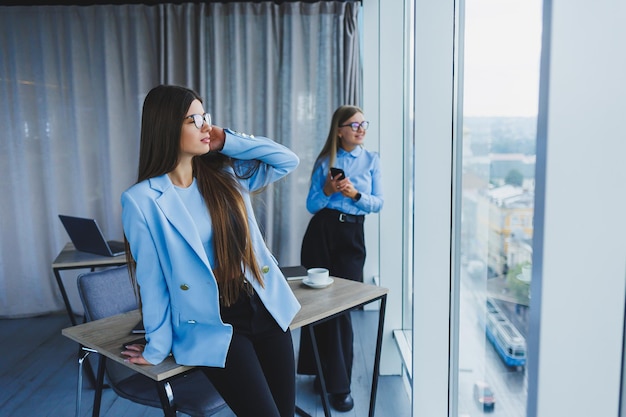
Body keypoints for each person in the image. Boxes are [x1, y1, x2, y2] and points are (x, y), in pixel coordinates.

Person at [120, 84, 301, 417]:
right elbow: (153, 280)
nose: (205, 126)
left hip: (264, 304)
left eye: (205, 117)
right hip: (213, 320)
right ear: (166, 127)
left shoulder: (226, 177)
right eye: (193, 120)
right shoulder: (142, 200)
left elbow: (287, 160)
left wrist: (228, 139)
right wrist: (157, 347)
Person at [297, 105, 383, 412]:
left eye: (363, 124)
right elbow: (312, 205)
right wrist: (327, 188)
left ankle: (339, 385)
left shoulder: (372, 161)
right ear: (339, 130)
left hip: (351, 238)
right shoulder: (326, 162)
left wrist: (355, 195)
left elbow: (378, 203)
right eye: (354, 124)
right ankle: (319, 373)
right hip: (321, 234)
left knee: (343, 308)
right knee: (318, 305)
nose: (361, 129)